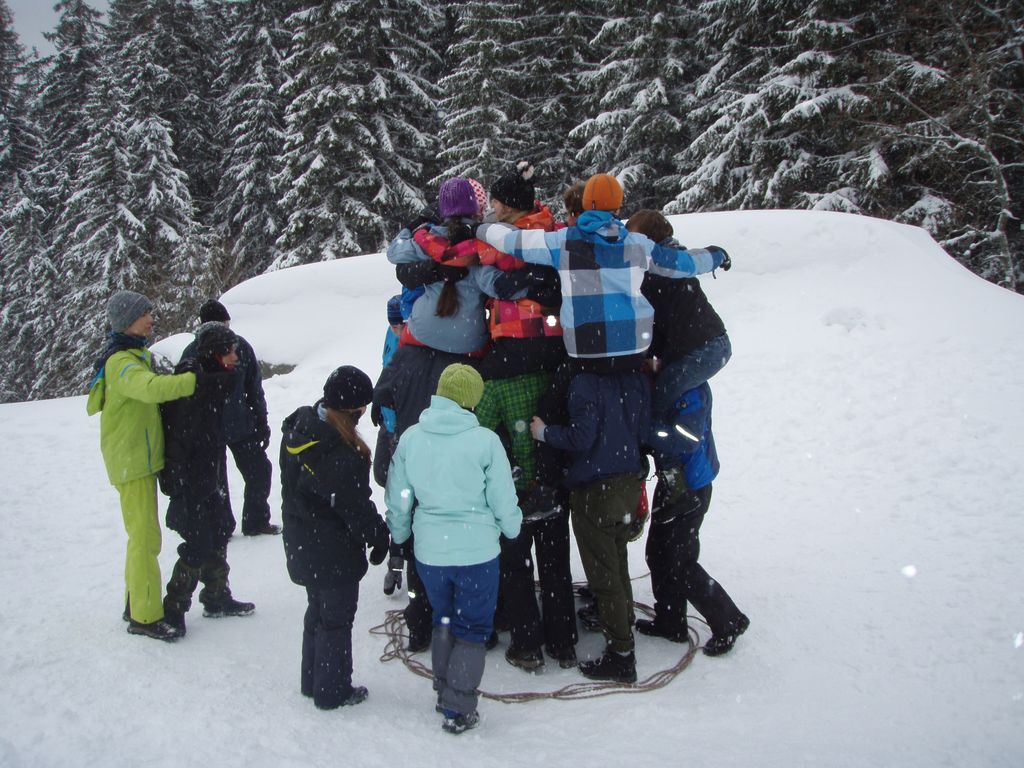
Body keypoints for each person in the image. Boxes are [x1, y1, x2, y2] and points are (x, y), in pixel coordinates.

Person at [385, 364, 521, 734]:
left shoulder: (412, 438)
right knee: (472, 628)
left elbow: (399, 495)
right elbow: (502, 497)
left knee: (443, 618)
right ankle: (458, 706)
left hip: (431, 553)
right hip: (477, 553)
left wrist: (400, 533)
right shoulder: (485, 442)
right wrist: (512, 527)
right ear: (472, 401)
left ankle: (444, 689)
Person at [86, 290, 197, 642]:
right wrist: (193, 381)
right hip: (130, 461)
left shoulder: (135, 355)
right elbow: (148, 388)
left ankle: (135, 602)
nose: (151, 319)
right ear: (127, 321)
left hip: (137, 458)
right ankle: (145, 617)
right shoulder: (121, 362)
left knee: (141, 538)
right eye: (144, 314)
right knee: (145, 539)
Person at [530, 368, 650, 684]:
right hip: (627, 484)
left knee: (604, 575)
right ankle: (624, 625)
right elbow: (644, 431)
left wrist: (545, 433)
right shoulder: (634, 376)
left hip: (596, 491)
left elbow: (582, 437)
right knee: (618, 562)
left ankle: (621, 655)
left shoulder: (584, 383)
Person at [281, 366, 390, 710]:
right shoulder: (339, 455)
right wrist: (379, 536)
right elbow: (355, 508)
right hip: (332, 550)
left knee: (317, 611)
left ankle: (312, 680)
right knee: (336, 619)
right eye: (361, 407)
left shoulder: (301, 429)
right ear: (351, 409)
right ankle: (332, 690)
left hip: (303, 542)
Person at [636, 383, 749, 656]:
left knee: (681, 561)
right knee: (657, 553)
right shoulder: (670, 380)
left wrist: (646, 432)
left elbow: (686, 437)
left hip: (691, 486)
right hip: (671, 482)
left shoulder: (691, 385)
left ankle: (729, 620)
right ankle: (671, 621)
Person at [160, 323, 256, 635]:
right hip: (190, 479)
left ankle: (216, 596)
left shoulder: (212, 383)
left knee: (219, 528)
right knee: (199, 542)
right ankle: (173, 607)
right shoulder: (194, 385)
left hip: (206, 473)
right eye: (230, 351)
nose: (235, 357)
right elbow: (178, 437)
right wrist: (178, 482)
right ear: (215, 353)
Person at [626, 210, 732, 489]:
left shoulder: (659, 266)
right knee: (673, 393)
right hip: (704, 345)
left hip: (706, 348)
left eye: (632, 237)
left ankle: (672, 467)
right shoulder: (665, 262)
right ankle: (675, 460)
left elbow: (653, 320)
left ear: (647, 239)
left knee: (663, 398)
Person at [181, 299, 278, 536]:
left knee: (255, 472)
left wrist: (261, 421)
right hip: (213, 428)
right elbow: (184, 399)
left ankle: (249, 522)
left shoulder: (239, 347)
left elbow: (254, 388)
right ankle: (228, 525)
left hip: (236, 425)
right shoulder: (194, 354)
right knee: (222, 481)